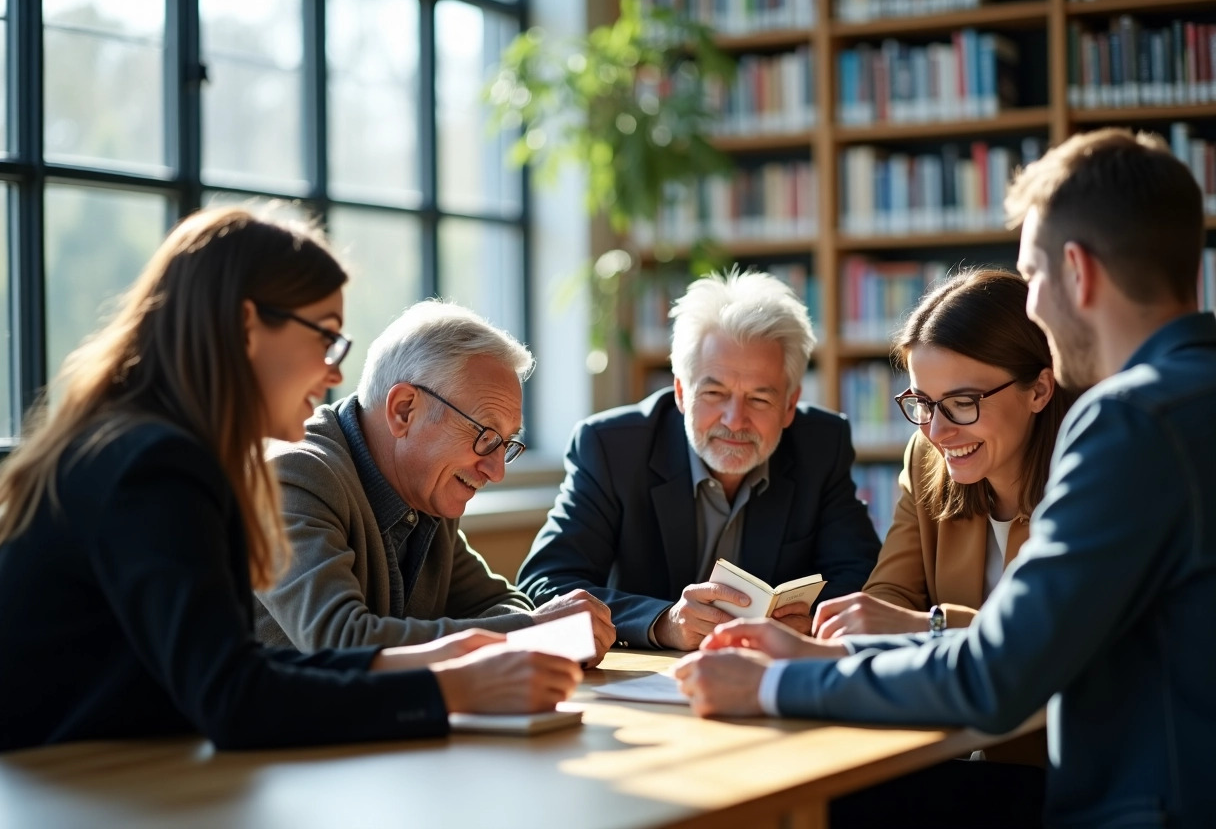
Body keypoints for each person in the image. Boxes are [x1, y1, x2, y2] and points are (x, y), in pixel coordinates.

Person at [674, 128, 1216, 827]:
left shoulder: (1132, 418)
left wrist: (779, 682)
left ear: (1077, 273)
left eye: (1035, 277)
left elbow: (1001, 672)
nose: (1034, 310)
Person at [0, 207, 580, 753]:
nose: (334, 370)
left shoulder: (151, 448)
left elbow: (241, 669)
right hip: (55, 792)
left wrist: (439, 657)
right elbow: (234, 698)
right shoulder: (157, 467)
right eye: (326, 335)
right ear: (248, 325)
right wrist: (451, 687)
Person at [518, 270, 881, 651]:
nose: (734, 420)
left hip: (769, 673)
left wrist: (812, 621)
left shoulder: (820, 444)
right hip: (642, 681)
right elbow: (546, 584)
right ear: (680, 392)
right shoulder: (611, 448)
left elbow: (861, 575)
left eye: (759, 399)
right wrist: (661, 622)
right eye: (714, 392)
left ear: (790, 405)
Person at [253, 299, 615, 664]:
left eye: (505, 444)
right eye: (485, 435)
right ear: (404, 410)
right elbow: (343, 641)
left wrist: (520, 628)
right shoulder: (290, 477)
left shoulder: (425, 491)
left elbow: (503, 603)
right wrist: (532, 633)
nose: (496, 470)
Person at [812, 269, 1070, 641]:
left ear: (1039, 390)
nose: (936, 432)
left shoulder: (1092, 474)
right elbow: (890, 598)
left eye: (962, 403)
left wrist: (931, 625)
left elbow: (1064, 637)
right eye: (922, 403)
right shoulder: (924, 461)